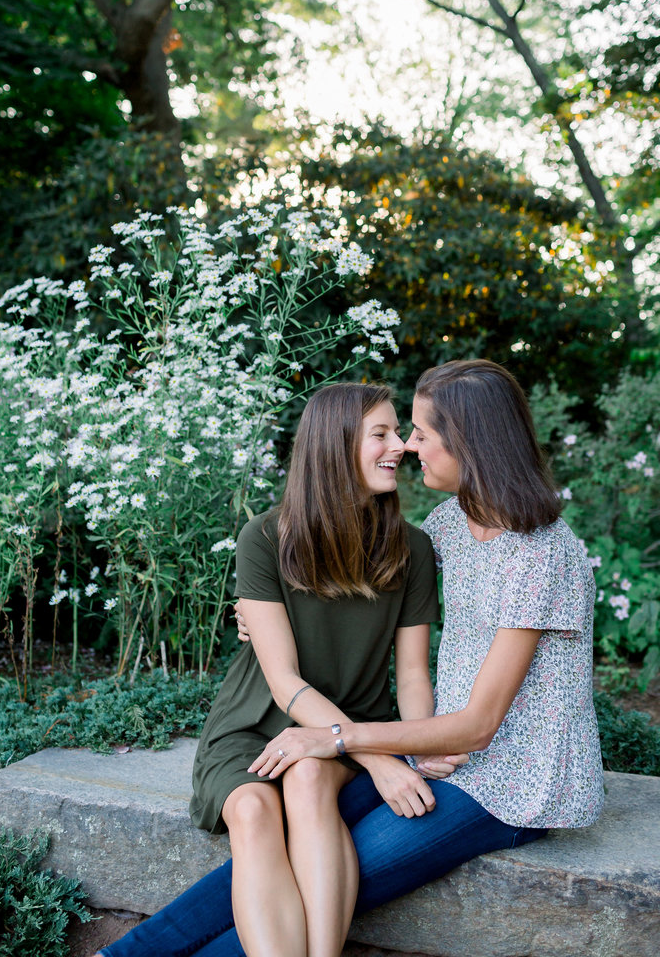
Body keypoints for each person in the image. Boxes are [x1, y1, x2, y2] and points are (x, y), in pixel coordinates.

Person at [79, 357, 603, 957]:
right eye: (399, 433)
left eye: (421, 433)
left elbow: (480, 724)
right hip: (439, 752)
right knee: (292, 823)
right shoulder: (452, 526)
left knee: (307, 886)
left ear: (469, 441)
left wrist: (341, 740)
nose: (409, 446)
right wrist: (262, 614)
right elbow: (342, 577)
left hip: (510, 784)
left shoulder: (542, 554)